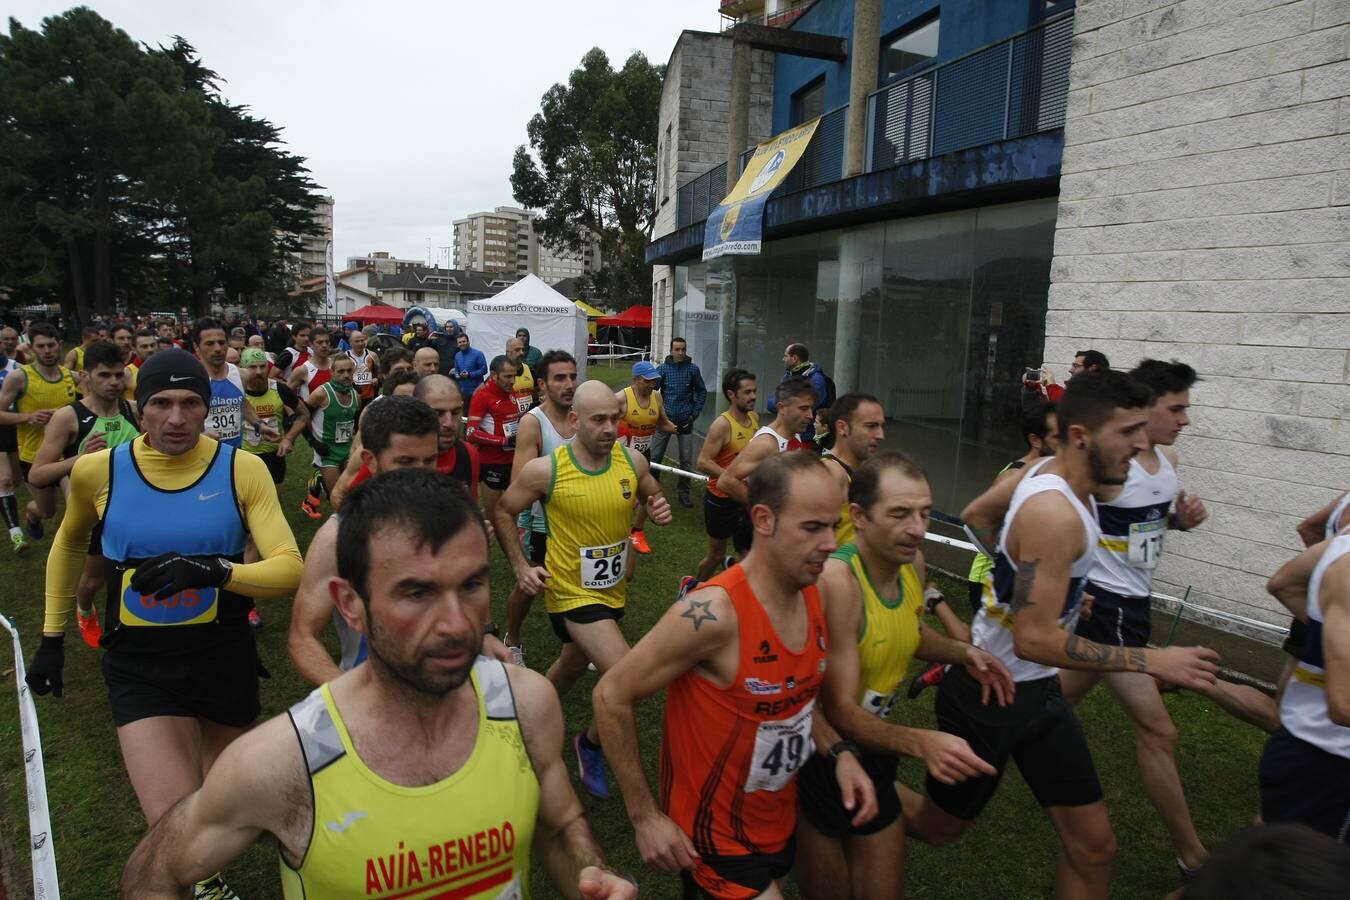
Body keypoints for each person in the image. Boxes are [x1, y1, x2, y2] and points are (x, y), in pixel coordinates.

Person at [124, 468, 636, 900]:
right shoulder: (283, 761)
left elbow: (561, 822)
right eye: (417, 593)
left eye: (472, 585)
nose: (459, 624)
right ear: (351, 605)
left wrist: (593, 871)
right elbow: (153, 876)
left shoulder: (526, 702)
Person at [898, 370, 1221, 900]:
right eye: (1129, 433)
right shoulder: (1055, 512)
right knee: (938, 829)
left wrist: (1057, 592)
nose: (1141, 445)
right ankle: (850, 772)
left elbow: (989, 525)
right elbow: (1032, 639)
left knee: (1095, 847)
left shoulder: (1061, 477)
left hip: (1039, 693)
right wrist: (1150, 661)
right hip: (991, 695)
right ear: (1080, 437)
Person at [24, 348, 302, 900]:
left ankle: (214, 872)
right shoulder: (97, 469)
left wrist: (214, 571)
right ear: (138, 407)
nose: (176, 418)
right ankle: (205, 885)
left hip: (222, 655)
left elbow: (290, 567)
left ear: (208, 408)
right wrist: (51, 637)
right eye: (161, 403)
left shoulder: (240, 467)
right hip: (140, 665)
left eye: (191, 403)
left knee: (224, 806)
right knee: (175, 822)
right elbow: (69, 544)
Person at [593, 452, 877, 899]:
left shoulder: (819, 592)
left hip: (777, 820)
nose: (829, 542)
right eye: (812, 527)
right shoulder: (711, 615)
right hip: (713, 839)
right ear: (763, 519)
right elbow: (611, 695)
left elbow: (793, 698)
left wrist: (839, 752)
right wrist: (645, 817)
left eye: (833, 525)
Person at [798, 452, 1013, 899]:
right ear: (858, 516)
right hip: (820, 759)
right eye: (900, 514)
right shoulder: (838, 582)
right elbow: (837, 708)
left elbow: (904, 630)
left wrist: (963, 653)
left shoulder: (910, 563)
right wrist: (922, 741)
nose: (917, 528)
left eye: (925, 513)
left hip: (876, 752)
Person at [1057, 359, 1211, 874]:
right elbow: (1057, 517)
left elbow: (1144, 526)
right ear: (1146, 409)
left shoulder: (1165, 458)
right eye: (1177, 409)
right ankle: (1194, 856)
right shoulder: (1105, 466)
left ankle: (977, 730)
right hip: (1107, 606)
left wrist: (1178, 523)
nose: (1185, 419)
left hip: (1136, 604)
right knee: (1159, 730)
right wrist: (1071, 585)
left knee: (1046, 704)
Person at [493, 381, 671, 800]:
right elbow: (503, 510)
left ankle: (527, 719)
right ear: (574, 421)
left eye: (615, 419)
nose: (610, 428)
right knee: (630, 676)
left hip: (611, 591)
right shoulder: (547, 470)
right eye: (599, 420)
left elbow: (650, 493)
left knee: (573, 664)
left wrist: (652, 513)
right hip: (571, 594)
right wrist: (521, 566)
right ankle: (590, 745)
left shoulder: (631, 460)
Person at [287, 397, 445, 684]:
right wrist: (352, 699)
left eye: (430, 460)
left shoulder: (451, 525)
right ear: (370, 461)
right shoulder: (339, 536)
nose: (420, 474)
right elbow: (303, 636)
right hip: (375, 691)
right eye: (405, 462)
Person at [27, 341, 140, 648]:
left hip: (133, 506)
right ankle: (84, 608)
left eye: (119, 375)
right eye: (104, 375)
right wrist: (79, 458)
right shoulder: (69, 416)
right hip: (92, 511)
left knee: (134, 569)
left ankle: (134, 623)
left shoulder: (132, 409)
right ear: (85, 376)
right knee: (94, 579)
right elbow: (37, 474)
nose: (114, 382)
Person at [1259, 533, 1350, 842]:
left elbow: (1282, 583)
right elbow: (1344, 704)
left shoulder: (1342, 542)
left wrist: (1331, 634)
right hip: (1325, 759)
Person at [503, 350, 579, 666]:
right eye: (560, 378)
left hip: (578, 518)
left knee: (580, 580)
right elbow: (520, 479)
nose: (569, 384)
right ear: (542, 385)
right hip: (539, 522)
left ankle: (579, 642)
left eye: (573, 377)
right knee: (532, 583)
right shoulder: (533, 422)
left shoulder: (582, 417)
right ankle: (512, 639)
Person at [0, 321, 77, 543]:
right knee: (47, 511)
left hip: (66, 453)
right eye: (41, 346)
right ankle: (32, 515)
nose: (47, 351)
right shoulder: (20, 377)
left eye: (51, 345)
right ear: (31, 348)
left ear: (59, 345)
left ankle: (75, 548)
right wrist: (28, 417)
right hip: (34, 457)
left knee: (76, 502)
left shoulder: (72, 377)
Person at [694, 369, 759, 581]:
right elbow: (703, 462)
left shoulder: (755, 418)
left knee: (749, 555)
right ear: (732, 395)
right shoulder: (722, 425)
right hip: (720, 501)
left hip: (744, 498)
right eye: (747, 392)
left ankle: (736, 591)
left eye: (754, 391)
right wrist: (731, 476)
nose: (753, 396)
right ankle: (693, 589)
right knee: (715, 554)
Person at [717, 376, 817, 507]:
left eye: (811, 408)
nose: (810, 415)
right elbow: (726, 481)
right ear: (782, 408)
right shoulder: (767, 444)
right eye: (803, 408)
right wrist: (767, 513)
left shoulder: (794, 434)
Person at [618, 360, 676, 555]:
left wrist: (677, 429)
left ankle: (637, 531)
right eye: (648, 381)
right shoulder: (621, 399)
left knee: (649, 496)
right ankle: (619, 530)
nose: (652, 385)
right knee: (625, 497)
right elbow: (603, 423)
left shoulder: (657, 398)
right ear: (636, 380)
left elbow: (663, 422)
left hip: (644, 454)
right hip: (623, 456)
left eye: (654, 381)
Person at [240, 347, 309, 497]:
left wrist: (289, 439)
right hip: (243, 455)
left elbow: (304, 415)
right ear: (242, 369)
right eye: (252, 367)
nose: (258, 371)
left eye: (262, 366)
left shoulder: (279, 389)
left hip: (273, 455)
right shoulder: (235, 390)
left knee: (273, 501)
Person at [820, 393, 885, 547]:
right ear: (843, 427)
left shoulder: (864, 473)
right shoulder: (832, 473)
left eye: (882, 426)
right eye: (871, 426)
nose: (880, 435)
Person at [300, 353, 359, 518]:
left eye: (349, 371)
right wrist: (314, 443)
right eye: (341, 371)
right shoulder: (321, 393)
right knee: (338, 499)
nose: (346, 375)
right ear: (332, 372)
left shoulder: (356, 395)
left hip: (347, 451)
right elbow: (302, 418)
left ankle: (317, 479)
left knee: (353, 492)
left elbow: (354, 422)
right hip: (327, 453)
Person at [651, 338, 707, 509]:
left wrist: (694, 414)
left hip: (686, 422)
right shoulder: (663, 369)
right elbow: (653, 392)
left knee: (686, 461)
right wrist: (659, 414)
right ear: (671, 350)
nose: (681, 353)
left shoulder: (692, 370)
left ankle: (684, 494)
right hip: (665, 421)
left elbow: (702, 392)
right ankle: (652, 492)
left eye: (683, 349)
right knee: (655, 458)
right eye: (677, 349)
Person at [466, 353, 521, 525]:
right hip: (491, 463)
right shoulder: (482, 396)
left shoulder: (511, 392)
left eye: (514, 376)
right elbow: (471, 433)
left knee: (514, 514)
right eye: (507, 376)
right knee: (494, 519)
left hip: (512, 460)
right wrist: (504, 441)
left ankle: (515, 550)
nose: (512, 381)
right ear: (494, 375)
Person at [193, 317, 262, 451]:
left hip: (235, 453)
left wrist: (259, 424)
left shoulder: (241, 375)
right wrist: (200, 436)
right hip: (202, 454)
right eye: (210, 343)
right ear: (197, 347)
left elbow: (242, 403)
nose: (218, 348)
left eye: (221, 342)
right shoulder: (191, 379)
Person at [766, 343, 831, 445]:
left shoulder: (816, 380)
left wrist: (786, 403)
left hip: (807, 438)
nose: (783, 359)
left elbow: (805, 408)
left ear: (794, 358)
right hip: (789, 434)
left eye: (785, 356)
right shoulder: (788, 376)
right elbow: (770, 404)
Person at [0, 331, 26, 552]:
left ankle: (30, 514)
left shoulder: (16, 368)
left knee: (18, 479)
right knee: (5, 479)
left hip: (16, 426)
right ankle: (16, 534)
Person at [287, 326, 333, 401]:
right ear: (311, 344)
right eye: (319, 342)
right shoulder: (303, 370)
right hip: (311, 412)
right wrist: (301, 410)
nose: (324, 345)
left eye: (327, 342)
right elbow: (285, 394)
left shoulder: (335, 365)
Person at [345, 328, 381, 408]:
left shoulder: (373, 355)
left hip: (369, 397)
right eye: (357, 341)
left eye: (362, 340)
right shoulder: (345, 357)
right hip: (351, 397)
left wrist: (377, 379)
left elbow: (381, 373)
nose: (360, 343)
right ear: (350, 343)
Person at [453, 332, 488, 400]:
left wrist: (470, 374)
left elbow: (484, 370)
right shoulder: (457, 355)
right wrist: (457, 375)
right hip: (463, 391)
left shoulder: (478, 354)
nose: (462, 343)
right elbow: (456, 371)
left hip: (477, 391)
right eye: (460, 342)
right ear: (457, 344)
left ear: (468, 342)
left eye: (464, 341)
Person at [507, 336, 536, 414]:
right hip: (510, 418)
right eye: (517, 350)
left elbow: (538, 391)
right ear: (508, 352)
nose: (521, 353)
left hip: (528, 417)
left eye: (523, 350)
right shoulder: (500, 372)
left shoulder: (529, 369)